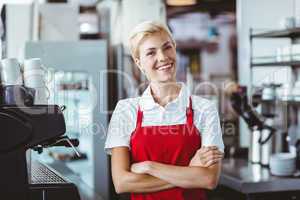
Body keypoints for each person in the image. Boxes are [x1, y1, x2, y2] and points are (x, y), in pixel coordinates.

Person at [105, 21, 224, 200]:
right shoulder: (126, 110)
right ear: (139, 63)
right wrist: (190, 173)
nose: (162, 57)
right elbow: (122, 183)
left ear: (175, 49)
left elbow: (208, 179)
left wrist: (148, 167)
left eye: (167, 47)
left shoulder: (204, 109)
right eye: (151, 52)